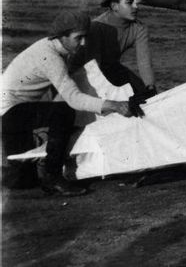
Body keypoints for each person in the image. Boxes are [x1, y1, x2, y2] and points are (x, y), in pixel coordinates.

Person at [1, 11, 141, 196]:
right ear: (61, 36)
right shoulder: (49, 57)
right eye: (78, 38)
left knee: (23, 182)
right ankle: (53, 177)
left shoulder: (54, 48)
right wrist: (114, 105)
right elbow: (73, 98)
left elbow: (56, 89)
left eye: (85, 37)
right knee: (63, 112)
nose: (83, 43)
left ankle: (36, 166)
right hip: (9, 114)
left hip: (15, 113)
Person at [73, 0, 157, 98]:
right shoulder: (96, 27)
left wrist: (150, 86)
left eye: (137, 2)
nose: (136, 7)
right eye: (129, 2)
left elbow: (144, 62)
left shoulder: (139, 28)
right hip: (81, 73)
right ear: (114, 6)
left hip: (110, 68)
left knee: (147, 93)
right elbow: (93, 70)